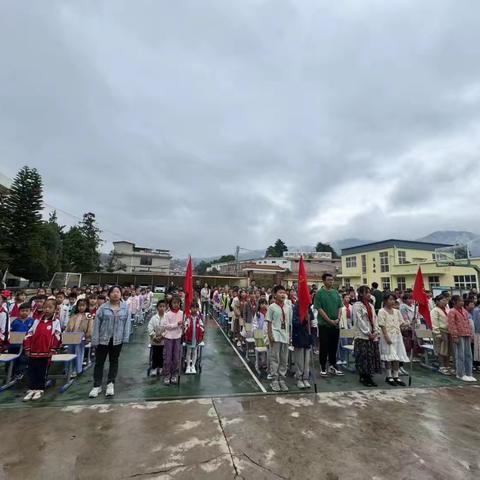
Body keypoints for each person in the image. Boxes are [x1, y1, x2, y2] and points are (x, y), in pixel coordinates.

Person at [89, 286, 131, 398]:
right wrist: (95, 339)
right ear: (109, 294)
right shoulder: (103, 308)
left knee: (114, 361)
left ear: (121, 294)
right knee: (99, 362)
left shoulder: (125, 308)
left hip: (117, 340)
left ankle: (110, 383)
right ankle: (97, 385)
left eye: (118, 292)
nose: (115, 294)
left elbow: (127, 324)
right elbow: (97, 324)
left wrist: (125, 338)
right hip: (103, 339)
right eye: (113, 292)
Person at [22, 298, 62, 401]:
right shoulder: (36, 321)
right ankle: (31, 388)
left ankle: (39, 389)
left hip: (46, 352)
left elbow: (57, 336)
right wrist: (27, 347)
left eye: (50, 307)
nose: (47, 309)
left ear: (55, 309)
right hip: (33, 351)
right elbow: (29, 334)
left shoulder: (55, 322)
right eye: (45, 307)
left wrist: (53, 349)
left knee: (42, 370)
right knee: (32, 370)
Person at [314, 273, 344, 377]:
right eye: (328, 280)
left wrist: (338, 318)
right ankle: (323, 366)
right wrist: (329, 320)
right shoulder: (319, 293)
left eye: (332, 280)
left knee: (334, 346)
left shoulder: (336, 292)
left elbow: (340, 307)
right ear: (323, 281)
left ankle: (333, 365)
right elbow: (319, 308)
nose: (331, 281)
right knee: (324, 346)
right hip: (324, 325)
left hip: (335, 324)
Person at [377, 293, 409, 386]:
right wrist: (386, 337)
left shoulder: (397, 311)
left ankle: (396, 376)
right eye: (390, 299)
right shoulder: (381, 311)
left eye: (393, 299)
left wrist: (409, 323)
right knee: (389, 357)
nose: (392, 301)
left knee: (397, 357)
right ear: (385, 301)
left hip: (397, 336)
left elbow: (401, 323)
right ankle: (389, 376)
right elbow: (382, 325)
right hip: (387, 336)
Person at [352, 286, 381, 387]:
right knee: (363, 357)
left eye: (369, 292)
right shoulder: (357, 306)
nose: (369, 294)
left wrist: (376, 331)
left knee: (371, 357)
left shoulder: (371, 306)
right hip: (362, 336)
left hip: (372, 336)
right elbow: (359, 321)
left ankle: (369, 376)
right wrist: (368, 333)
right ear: (360, 294)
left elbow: (375, 319)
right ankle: (363, 377)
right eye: (366, 293)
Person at [266, 285, 292, 392]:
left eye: (284, 292)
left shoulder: (288, 307)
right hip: (275, 335)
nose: (283, 294)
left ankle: (282, 379)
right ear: (275, 294)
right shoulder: (272, 307)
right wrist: (270, 335)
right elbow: (269, 322)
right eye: (280, 292)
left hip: (285, 335)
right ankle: (274, 380)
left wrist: (289, 335)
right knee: (275, 358)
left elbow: (288, 323)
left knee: (284, 359)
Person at [447, 295, 476, 382]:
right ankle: (460, 374)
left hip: (466, 334)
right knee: (460, 355)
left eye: (462, 301)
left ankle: (469, 373)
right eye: (460, 301)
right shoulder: (452, 312)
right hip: (459, 335)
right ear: (454, 302)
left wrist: (470, 334)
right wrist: (455, 336)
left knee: (468, 355)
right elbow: (451, 325)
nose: (462, 303)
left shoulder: (465, 311)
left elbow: (468, 323)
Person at [65, 299, 93, 376]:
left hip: (82, 336)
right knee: (70, 352)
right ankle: (69, 369)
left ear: (86, 306)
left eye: (83, 305)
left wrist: (88, 337)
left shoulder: (88, 315)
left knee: (79, 352)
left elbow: (90, 327)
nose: (81, 307)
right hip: (71, 336)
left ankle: (78, 369)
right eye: (79, 306)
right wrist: (66, 334)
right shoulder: (74, 315)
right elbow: (68, 327)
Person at [162, 295, 183, 385]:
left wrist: (183, 326)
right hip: (169, 338)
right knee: (168, 357)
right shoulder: (167, 314)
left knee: (176, 358)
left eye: (177, 303)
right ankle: (167, 375)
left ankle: (174, 374)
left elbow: (184, 324)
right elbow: (166, 326)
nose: (176, 305)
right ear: (171, 304)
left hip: (177, 338)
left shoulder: (182, 313)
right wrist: (176, 324)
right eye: (174, 303)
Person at [292, 302, 313, 389]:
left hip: (307, 335)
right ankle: (299, 378)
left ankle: (305, 378)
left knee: (306, 359)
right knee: (299, 359)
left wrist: (308, 317)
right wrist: (303, 319)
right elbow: (294, 321)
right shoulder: (296, 307)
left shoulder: (308, 306)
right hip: (299, 336)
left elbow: (312, 317)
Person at [431, 294, 452, 375]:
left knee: (448, 350)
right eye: (443, 300)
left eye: (446, 300)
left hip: (448, 332)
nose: (445, 302)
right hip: (440, 332)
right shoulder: (434, 310)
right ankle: (442, 367)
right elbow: (434, 323)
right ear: (437, 301)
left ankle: (447, 366)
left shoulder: (447, 309)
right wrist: (437, 334)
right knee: (441, 350)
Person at [184, 303, 205, 374]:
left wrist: (201, 331)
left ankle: (193, 366)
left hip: (196, 338)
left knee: (195, 352)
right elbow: (185, 326)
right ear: (190, 309)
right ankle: (188, 366)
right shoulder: (188, 317)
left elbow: (202, 326)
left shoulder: (199, 318)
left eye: (196, 308)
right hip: (189, 338)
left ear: (198, 309)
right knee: (188, 352)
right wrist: (187, 328)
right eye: (193, 308)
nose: (194, 309)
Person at [147, 300, 166, 376]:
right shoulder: (154, 318)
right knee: (155, 354)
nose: (162, 308)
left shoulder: (167, 317)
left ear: (165, 307)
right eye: (160, 306)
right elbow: (149, 327)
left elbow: (167, 328)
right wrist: (153, 336)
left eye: (163, 306)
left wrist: (162, 336)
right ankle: (154, 368)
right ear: (157, 308)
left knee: (162, 355)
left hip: (163, 340)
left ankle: (161, 367)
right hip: (154, 340)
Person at [472, 300, 480, 371]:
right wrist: (474, 333)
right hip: (477, 332)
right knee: (477, 349)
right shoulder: (476, 310)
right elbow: (474, 322)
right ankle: (476, 364)